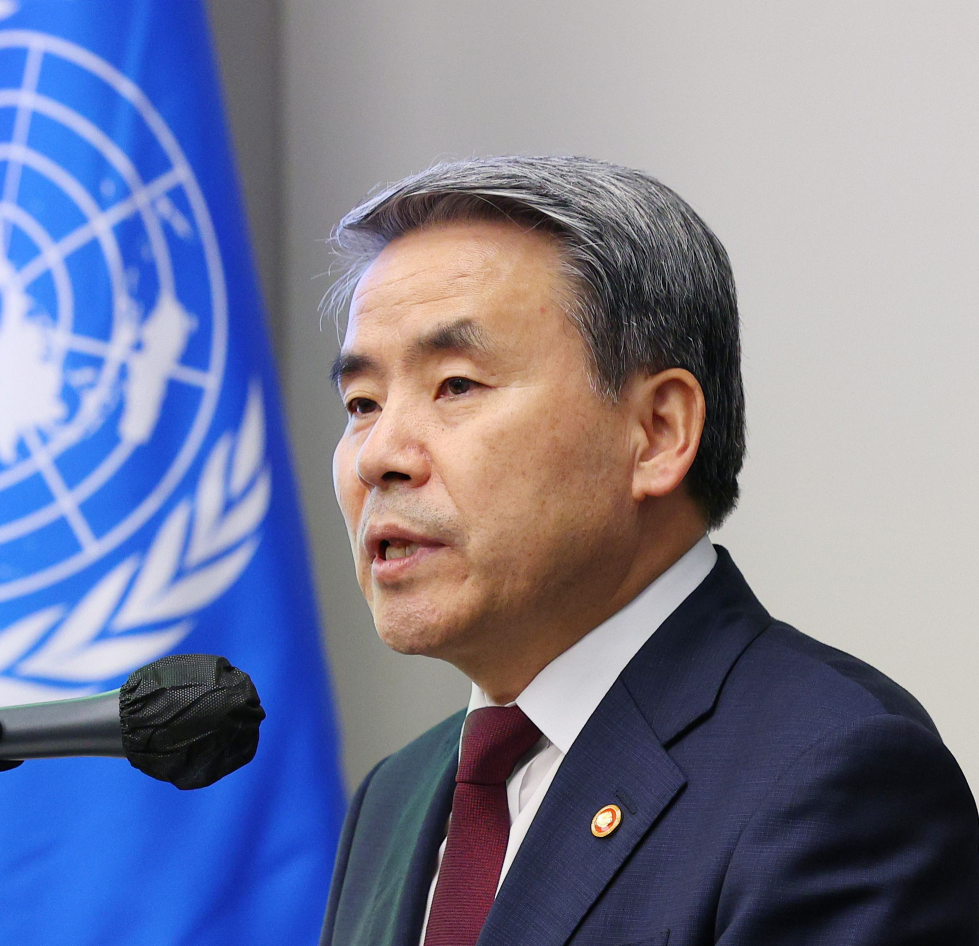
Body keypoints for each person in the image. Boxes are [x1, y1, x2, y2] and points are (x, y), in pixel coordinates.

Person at [318, 156, 978, 946]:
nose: (376, 455)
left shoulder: (833, 776)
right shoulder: (395, 798)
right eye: (362, 402)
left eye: (456, 385)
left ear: (658, 432)